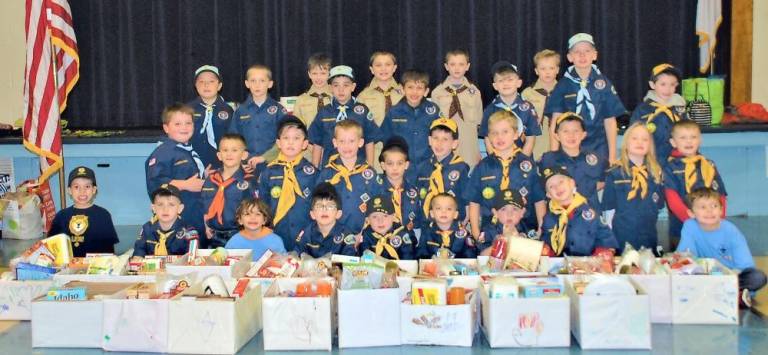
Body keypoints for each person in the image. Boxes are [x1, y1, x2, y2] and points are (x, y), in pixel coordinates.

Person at [677, 187, 767, 307]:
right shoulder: (689, 226)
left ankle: (715, 294)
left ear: (721, 210)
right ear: (691, 213)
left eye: (714, 206)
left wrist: (727, 277)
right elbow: (686, 256)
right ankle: (732, 295)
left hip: (731, 276)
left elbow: (745, 265)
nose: (709, 211)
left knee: (758, 277)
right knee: (681, 275)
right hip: (704, 276)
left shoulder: (731, 231)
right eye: (703, 207)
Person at [545, 33, 626, 163]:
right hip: (569, 146)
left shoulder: (603, 84)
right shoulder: (563, 85)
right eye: (577, 52)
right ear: (570, 57)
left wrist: (612, 157)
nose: (582, 55)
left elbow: (610, 121)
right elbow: (555, 121)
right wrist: (555, 155)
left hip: (599, 147)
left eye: (587, 51)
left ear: (594, 55)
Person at [465, 110, 545, 239]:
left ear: (516, 134)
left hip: (523, 229)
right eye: (494, 133)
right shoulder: (483, 166)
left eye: (505, 132)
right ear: (488, 137)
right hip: (491, 229)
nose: (499, 137)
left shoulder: (528, 165)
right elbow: (474, 201)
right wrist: (475, 232)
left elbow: (539, 200)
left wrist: (541, 229)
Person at [602, 123, 665, 252]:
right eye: (634, 138)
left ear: (650, 145)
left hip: (648, 236)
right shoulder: (615, 172)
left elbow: (658, 206)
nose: (639, 142)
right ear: (626, 143)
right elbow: (609, 210)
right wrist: (609, 242)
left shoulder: (656, 173)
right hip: (621, 236)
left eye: (645, 139)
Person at [145, 103, 206, 236]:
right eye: (177, 124)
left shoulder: (187, 149)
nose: (184, 127)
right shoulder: (163, 153)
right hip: (178, 219)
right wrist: (185, 185)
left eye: (188, 123)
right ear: (166, 128)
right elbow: (154, 184)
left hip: (196, 213)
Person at [258, 116, 317, 251]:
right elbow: (263, 205)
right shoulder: (268, 172)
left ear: (304, 144)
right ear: (278, 143)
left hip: (306, 234)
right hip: (276, 234)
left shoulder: (313, 173)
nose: (291, 142)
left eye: (296, 138)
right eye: (286, 138)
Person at [664, 120, 727, 247]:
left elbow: (720, 196)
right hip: (682, 229)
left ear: (700, 140)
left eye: (693, 137)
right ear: (673, 142)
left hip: (711, 228)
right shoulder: (669, 167)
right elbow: (673, 201)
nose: (689, 141)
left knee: (710, 263)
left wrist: (718, 220)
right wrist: (694, 224)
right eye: (683, 138)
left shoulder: (708, 165)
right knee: (683, 264)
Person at [308, 65, 381, 167]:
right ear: (330, 88)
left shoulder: (362, 111)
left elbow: (370, 141)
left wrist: (370, 167)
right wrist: (315, 169)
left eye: (346, 85)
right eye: (336, 85)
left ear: (353, 87)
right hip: (330, 168)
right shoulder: (324, 112)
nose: (341, 90)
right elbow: (317, 143)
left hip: (357, 168)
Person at [317, 120, 381, 233]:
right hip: (333, 234)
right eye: (342, 141)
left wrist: (365, 232)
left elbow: (378, 206)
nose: (346, 146)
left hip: (363, 234)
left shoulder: (370, 174)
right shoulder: (326, 174)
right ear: (335, 142)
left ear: (360, 142)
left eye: (351, 141)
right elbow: (318, 205)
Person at [540, 166, 618, 256]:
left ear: (572, 183)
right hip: (559, 266)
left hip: (587, 265)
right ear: (548, 194)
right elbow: (546, 245)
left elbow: (605, 238)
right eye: (551, 186)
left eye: (561, 182)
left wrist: (602, 255)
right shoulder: (548, 218)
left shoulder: (590, 212)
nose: (557, 187)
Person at [48, 166, 119, 256]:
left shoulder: (103, 215)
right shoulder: (61, 216)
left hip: (95, 267)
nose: (82, 191)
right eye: (77, 187)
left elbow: (109, 250)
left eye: (87, 186)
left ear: (94, 190)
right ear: (69, 190)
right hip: (68, 267)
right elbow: (51, 246)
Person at [228, 63, 286, 174]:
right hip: (247, 165)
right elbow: (233, 140)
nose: (257, 85)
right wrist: (240, 160)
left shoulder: (279, 110)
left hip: (274, 165)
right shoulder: (240, 111)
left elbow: (285, 139)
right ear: (247, 83)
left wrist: (264, 157)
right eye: (253, 81)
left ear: (270, 84)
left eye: (262, 81)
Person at [538, 112, 605, 207]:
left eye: (576, 131)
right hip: (559, 215)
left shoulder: (596, 159)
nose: (571, 135)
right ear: (556, 136)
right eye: (565, 131)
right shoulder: (548, 160)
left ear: (583, 134)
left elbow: (605, 180)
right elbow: (540, 191)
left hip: (590, 215)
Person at [201, 133, 256, 248]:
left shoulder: (249, 181)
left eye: (234, 150)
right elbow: (204, 205)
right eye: (225, 150)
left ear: (244, 155)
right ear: (219, 155)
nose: (229, 154)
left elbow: (255, 211)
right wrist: (206, 226)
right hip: (212, 236)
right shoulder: (210, 180)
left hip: (239, 236)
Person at [430, 49, 483, 168]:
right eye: (452, 64)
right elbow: (434, 125)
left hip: (469, 149)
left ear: (467, 66)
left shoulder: (475, 92)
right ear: (446, 66)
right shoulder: (437, 93)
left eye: (461, 64)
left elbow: (479, 124)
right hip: (444, 150)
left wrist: (478, 151)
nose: (457, 68)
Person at [629, 63, 689, 164]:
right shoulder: (643, 109)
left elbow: (688, 132)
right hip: (650, 160)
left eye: (672, 84)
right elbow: (633, 135)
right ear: (652, 85)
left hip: (677, 161)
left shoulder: (680, 108)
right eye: (663, 84)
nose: (668, 89)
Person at [480, 61, 541, 157]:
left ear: (519, 83)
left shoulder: (528, 108)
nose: (506, 83)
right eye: (501, 80)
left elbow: (530, 138)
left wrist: (521, 160)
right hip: (497, 160)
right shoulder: (490, 110)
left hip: (522, 159)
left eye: (510, 79)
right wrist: (495, 160)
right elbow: (487, 138)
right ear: (495, 86)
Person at [379, 69, 441, 165]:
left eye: (419, 88)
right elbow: (387, 141)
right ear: (402, 89)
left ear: (426, 91)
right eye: (410, 87)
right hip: (402, 166)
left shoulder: (434, 111)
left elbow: (442, 136)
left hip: (428, 164)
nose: (414, 92)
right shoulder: (394, 112)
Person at [414, 117, 470, 221]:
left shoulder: (461, 168)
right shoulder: (422, 167)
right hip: (427, 227)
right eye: (436, 138)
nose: (439, 143)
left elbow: (467, 203)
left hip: (453, 226)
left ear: (454, 144)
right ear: (430, 140)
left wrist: (463, 224)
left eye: (445, 139)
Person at [357, 51, 403, 172]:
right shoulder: (363, 97)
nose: (383, 68)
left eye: (388, 64)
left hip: (401, 152)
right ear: (371, 69)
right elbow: (359, 129)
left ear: (395, 68)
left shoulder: (405, 93)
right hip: (374, 153)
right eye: (378, 65)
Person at [187, 65, 233, 170]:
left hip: (222, 165)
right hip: (193, 164)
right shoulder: (187, 110)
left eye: (211, 81)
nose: (206, 85)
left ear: (219, 86)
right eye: (201, 82)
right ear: (195, 85)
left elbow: (234, 138)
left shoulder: (229, 110)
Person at [134, 184, 198, 257]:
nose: (165, 209)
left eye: (171, 204)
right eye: (160, 204)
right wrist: (138, 257)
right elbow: (139, 250)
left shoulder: (189, 231)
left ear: (180, 208)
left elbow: (192, 257)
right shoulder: (147, 229)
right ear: (153, 208)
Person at [294, 183, 357, 257]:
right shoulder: (306, 234)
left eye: (330, 206)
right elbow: (296, 257)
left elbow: (350, 263)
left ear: (338, 214)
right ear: (312, 214)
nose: (324, 210)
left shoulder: (347, 236)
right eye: (319, 206)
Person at [375, 137, 422, 232]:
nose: (395, 168)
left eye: (399, 163)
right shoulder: (375, 188)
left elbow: (417, 223)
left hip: (407, 241)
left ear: (406, 165)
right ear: (383, 165)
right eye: (390, 164)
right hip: (380, 240)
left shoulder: (413, 191)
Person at [521, 49, 561, 159]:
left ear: (557, 70)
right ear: (536, 71)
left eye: (551, 68)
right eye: (543, 68)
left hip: (560, 143)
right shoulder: (528, 93)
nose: (547, 72)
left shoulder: (565, 92)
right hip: (535, 145)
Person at [418, 193, 476, 258]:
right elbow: (421, 255)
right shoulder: (427, 233)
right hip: (433, 266)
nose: (444, 211)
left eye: (449, 209)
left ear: (455, 214)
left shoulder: (463, 233)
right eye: (438, 208)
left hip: (458, 266)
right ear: (432, 213)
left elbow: (471, 255)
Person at [359, 196, 416, 260]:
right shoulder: (366, 235)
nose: (380, 221)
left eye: (385, 216)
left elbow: (408, 260)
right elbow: (365, 260)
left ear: (393, 217)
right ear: (368, 220)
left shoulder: (402, 234)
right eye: (374, 217)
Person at [477, 189, 528, 255]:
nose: (509, 214)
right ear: (495, 213)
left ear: (522, 212)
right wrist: (500, 244)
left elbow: (535, 254)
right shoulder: (488, 231)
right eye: (503, 209)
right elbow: (482, 255)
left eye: (515, 209)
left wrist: (520, 241)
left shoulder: (527, 229)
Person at [292, 53, 333, 130]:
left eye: (323, 73)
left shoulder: (337, 97)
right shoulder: (301, 100)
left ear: (329, 74)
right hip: (309, 140)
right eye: (314, 73)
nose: (318, 78)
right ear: (309, 74)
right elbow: (297, 128)